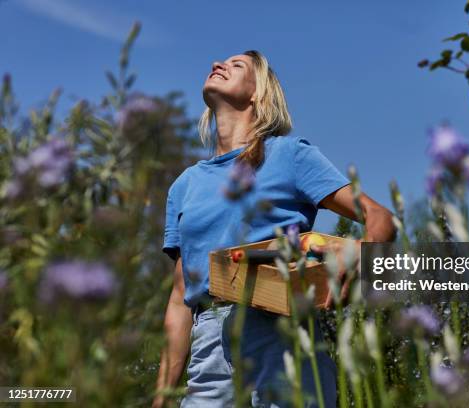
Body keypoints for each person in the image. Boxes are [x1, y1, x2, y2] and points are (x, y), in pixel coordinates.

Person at [152, 50, 396, 408]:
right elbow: (179, 299)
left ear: (258, 94)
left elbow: (380, 216)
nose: (217, 65)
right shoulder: (184, 186)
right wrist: (163, 396)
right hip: (209, 351)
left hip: (280, 336)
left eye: (236, 66)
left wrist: (362, 251)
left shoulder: (289, 155)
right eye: (220, 62)